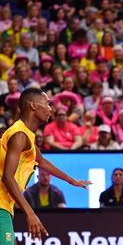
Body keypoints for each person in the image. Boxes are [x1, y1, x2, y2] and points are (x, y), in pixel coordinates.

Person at [0, 88, 91, 243]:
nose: (51, 109)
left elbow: (41, 161)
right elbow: (7, 177)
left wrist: (70, 180)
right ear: (33, 106)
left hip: (5, 204)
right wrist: (30, 213)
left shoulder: (25, 134)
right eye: (47, 103)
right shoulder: (19, 135)